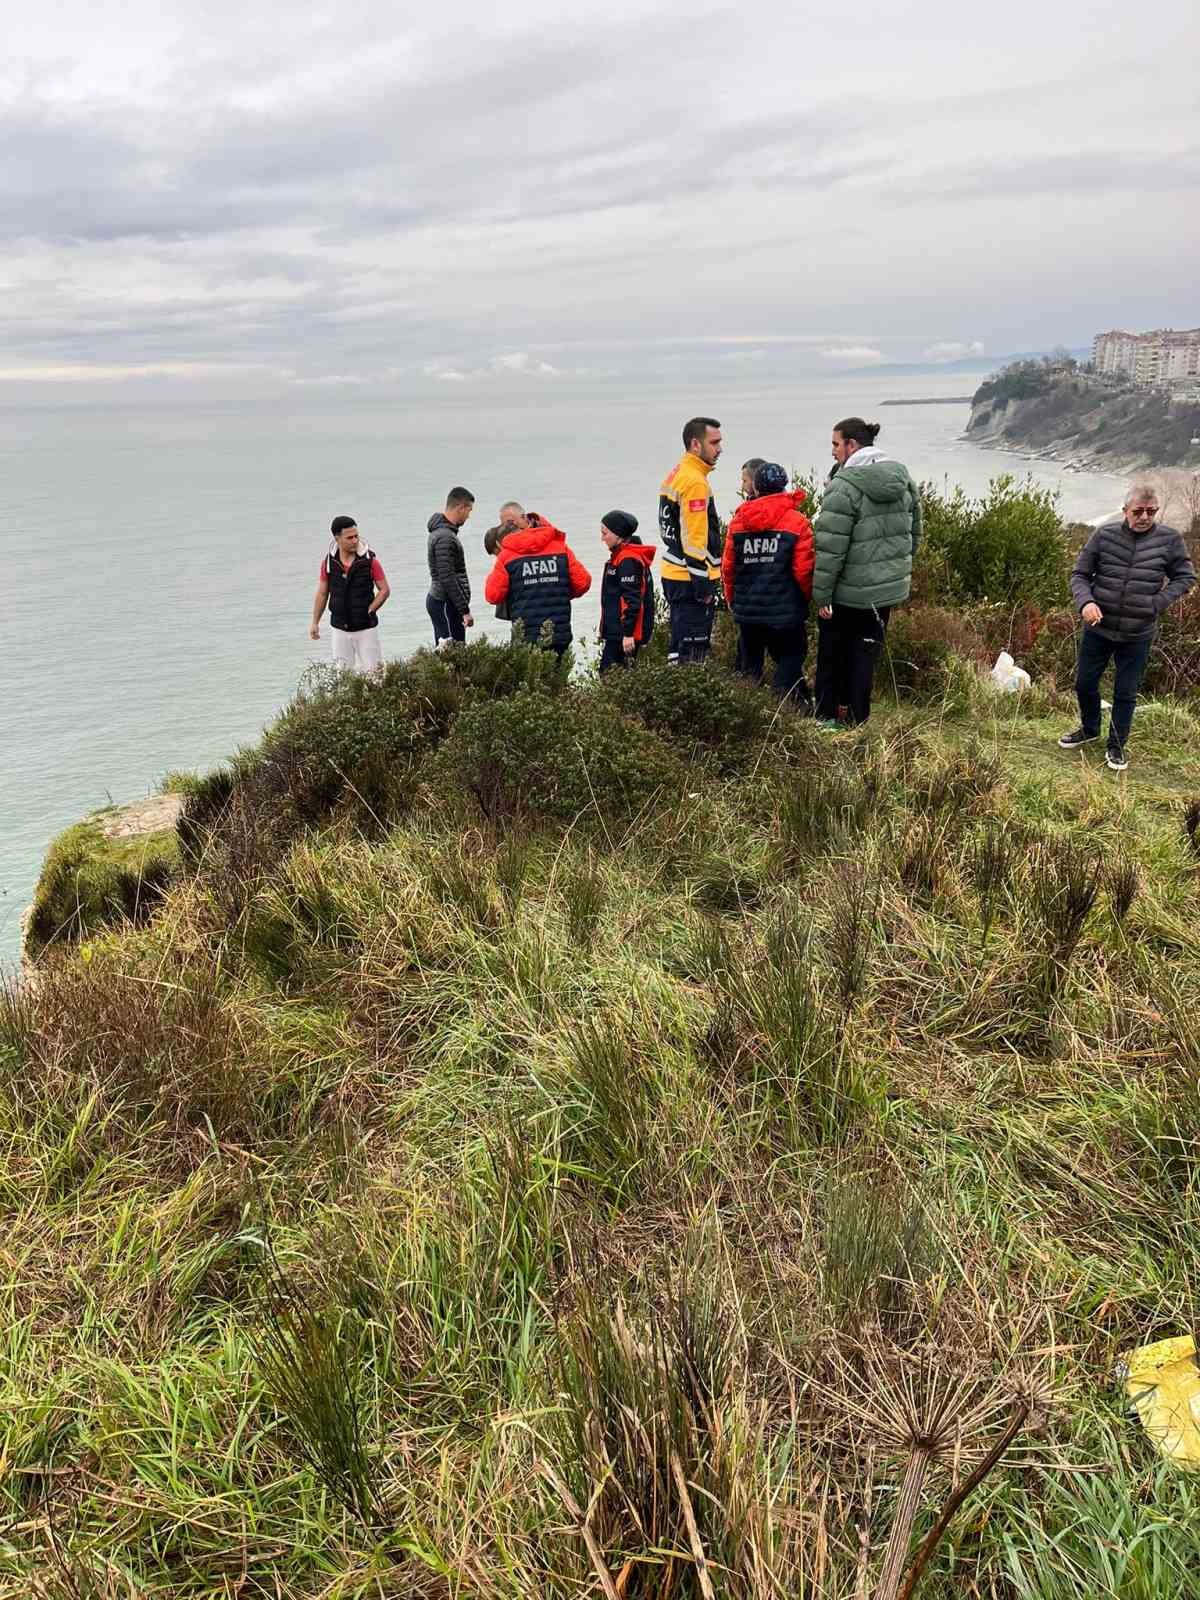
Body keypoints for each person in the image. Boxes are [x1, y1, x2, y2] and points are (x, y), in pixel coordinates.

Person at [1059, 484, 1195, 771]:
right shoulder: (1104, 535)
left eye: (1151, 511)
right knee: (1084, 684)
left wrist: (1157, 602)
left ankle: (1116, 747)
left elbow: (1185, 577)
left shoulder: (1170, 540)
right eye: (1139, 511)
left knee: (1125, 693)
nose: (1145, 516)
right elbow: (1080, 574)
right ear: (1125, 511)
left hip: (1138, 632)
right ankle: (1090, 728)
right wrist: (1086, 603)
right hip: (1099, 628)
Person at [810, 418, 920, 727]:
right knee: (865, 655)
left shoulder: (843, 487)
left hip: (848, 592)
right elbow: (915, 532)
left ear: (852, 445)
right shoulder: (903, 479)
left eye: (835, 444)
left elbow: (831, 549)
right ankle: (857, 719)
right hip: (885, 592)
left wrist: (822, 595)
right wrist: (895, 570)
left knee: (832, 655)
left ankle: (827, 717)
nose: (833, 452)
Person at [722, 463, 814, 700]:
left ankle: (746, 713)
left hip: (748, 609)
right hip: (785, 610)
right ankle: (782, 704)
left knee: (749, 665)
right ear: (783, 486)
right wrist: (804, 600)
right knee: (792, 655)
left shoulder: (739, 521)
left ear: (756, 487)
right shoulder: (797, 522)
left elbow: (728, 568)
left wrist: (732, 599)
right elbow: (803, 570)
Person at [483, 506, 591, 655]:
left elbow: (492, 595)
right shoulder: (560, 547)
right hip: (559, 632)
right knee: (559, 676)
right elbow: (583, 582)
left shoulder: (507, 556)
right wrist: (558, 591)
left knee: (530, 676)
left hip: (526, 635)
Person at [659, 417, 723, 663]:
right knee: (693, 656)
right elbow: (694, 540)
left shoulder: (677, 473)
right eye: (714, 443)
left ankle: (674, 694)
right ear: (696, 444)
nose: (719, 449)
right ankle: (686, 701)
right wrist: (703, 587)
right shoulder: (695, 481)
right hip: (689, 578)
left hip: (674, 572)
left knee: (678, 648)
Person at [309, 516, 389, 674]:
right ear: (337, 538)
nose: (355, 540)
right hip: (339, 630)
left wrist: (370, 610)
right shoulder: (329, 563)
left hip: (366, 629)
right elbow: (322, 593)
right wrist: (315, 622)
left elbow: (384, 590)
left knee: (376, 674)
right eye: (350, 537)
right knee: (343, 676)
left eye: (356, 536)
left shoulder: (370, 561)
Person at [597, 511, 656, 671]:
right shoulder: (622, 557)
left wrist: (628, 634)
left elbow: (632, 600)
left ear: (619, 535)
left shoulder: (628, 560)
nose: (602, 538)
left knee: (609, 674)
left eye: (605, 533)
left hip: (623, 635)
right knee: (617, 675)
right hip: (618, 633)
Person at [425, 487, 475, 647]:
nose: (469, 515)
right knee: (451, 654)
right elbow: (447, 577)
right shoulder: (445, 537)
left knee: (453, 652)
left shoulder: (443, 533)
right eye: (469, 510)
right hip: (445, 603)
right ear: (460, 508)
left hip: (445, 602)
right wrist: (465, 611)